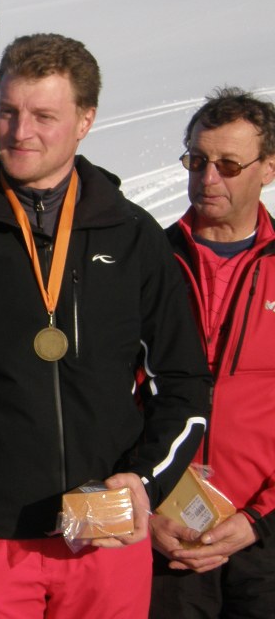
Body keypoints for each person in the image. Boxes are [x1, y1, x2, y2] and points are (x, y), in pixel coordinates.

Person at [0, 32, 210, 618]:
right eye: (8, 112)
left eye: (43, 116)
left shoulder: (133, 236)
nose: (20, 132)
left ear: (85, 120)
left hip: (106, 533)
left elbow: (184, 384)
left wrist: (144, 481)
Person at [149, 87, 275, 618]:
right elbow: (107, 396)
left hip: (262, 540)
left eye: (229, 164)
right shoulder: (148, 263)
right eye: (198, 161)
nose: (208, 178)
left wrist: (260, 519)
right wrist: (146, 508)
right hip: (166, 534)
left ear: (268, 168)